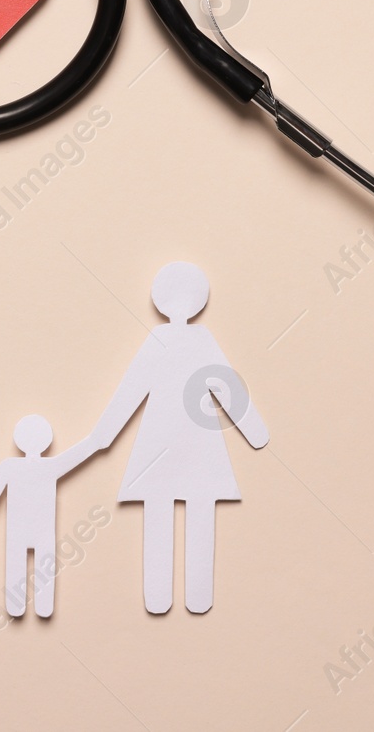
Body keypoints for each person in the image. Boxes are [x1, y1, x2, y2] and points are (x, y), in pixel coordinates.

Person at [89, 261, 269, 614]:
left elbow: (133, 389)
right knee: (196, 509)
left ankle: (162, 596)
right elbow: (226, 386)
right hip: (197, 444)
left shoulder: (163, 340)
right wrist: (255, 430)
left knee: (162, 508)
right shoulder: (200, 340)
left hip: (162, 444)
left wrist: (103, 435)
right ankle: (191, 596)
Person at [0, 415, 97, 617]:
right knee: (42, 569)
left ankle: (19, 608)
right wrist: (97, 440)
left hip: (19, 532)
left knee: (18, 565)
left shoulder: (11, 466)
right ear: (47, 441)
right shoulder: (49, 466)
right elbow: (81, 452)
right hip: (41, 532)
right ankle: (41, 607)